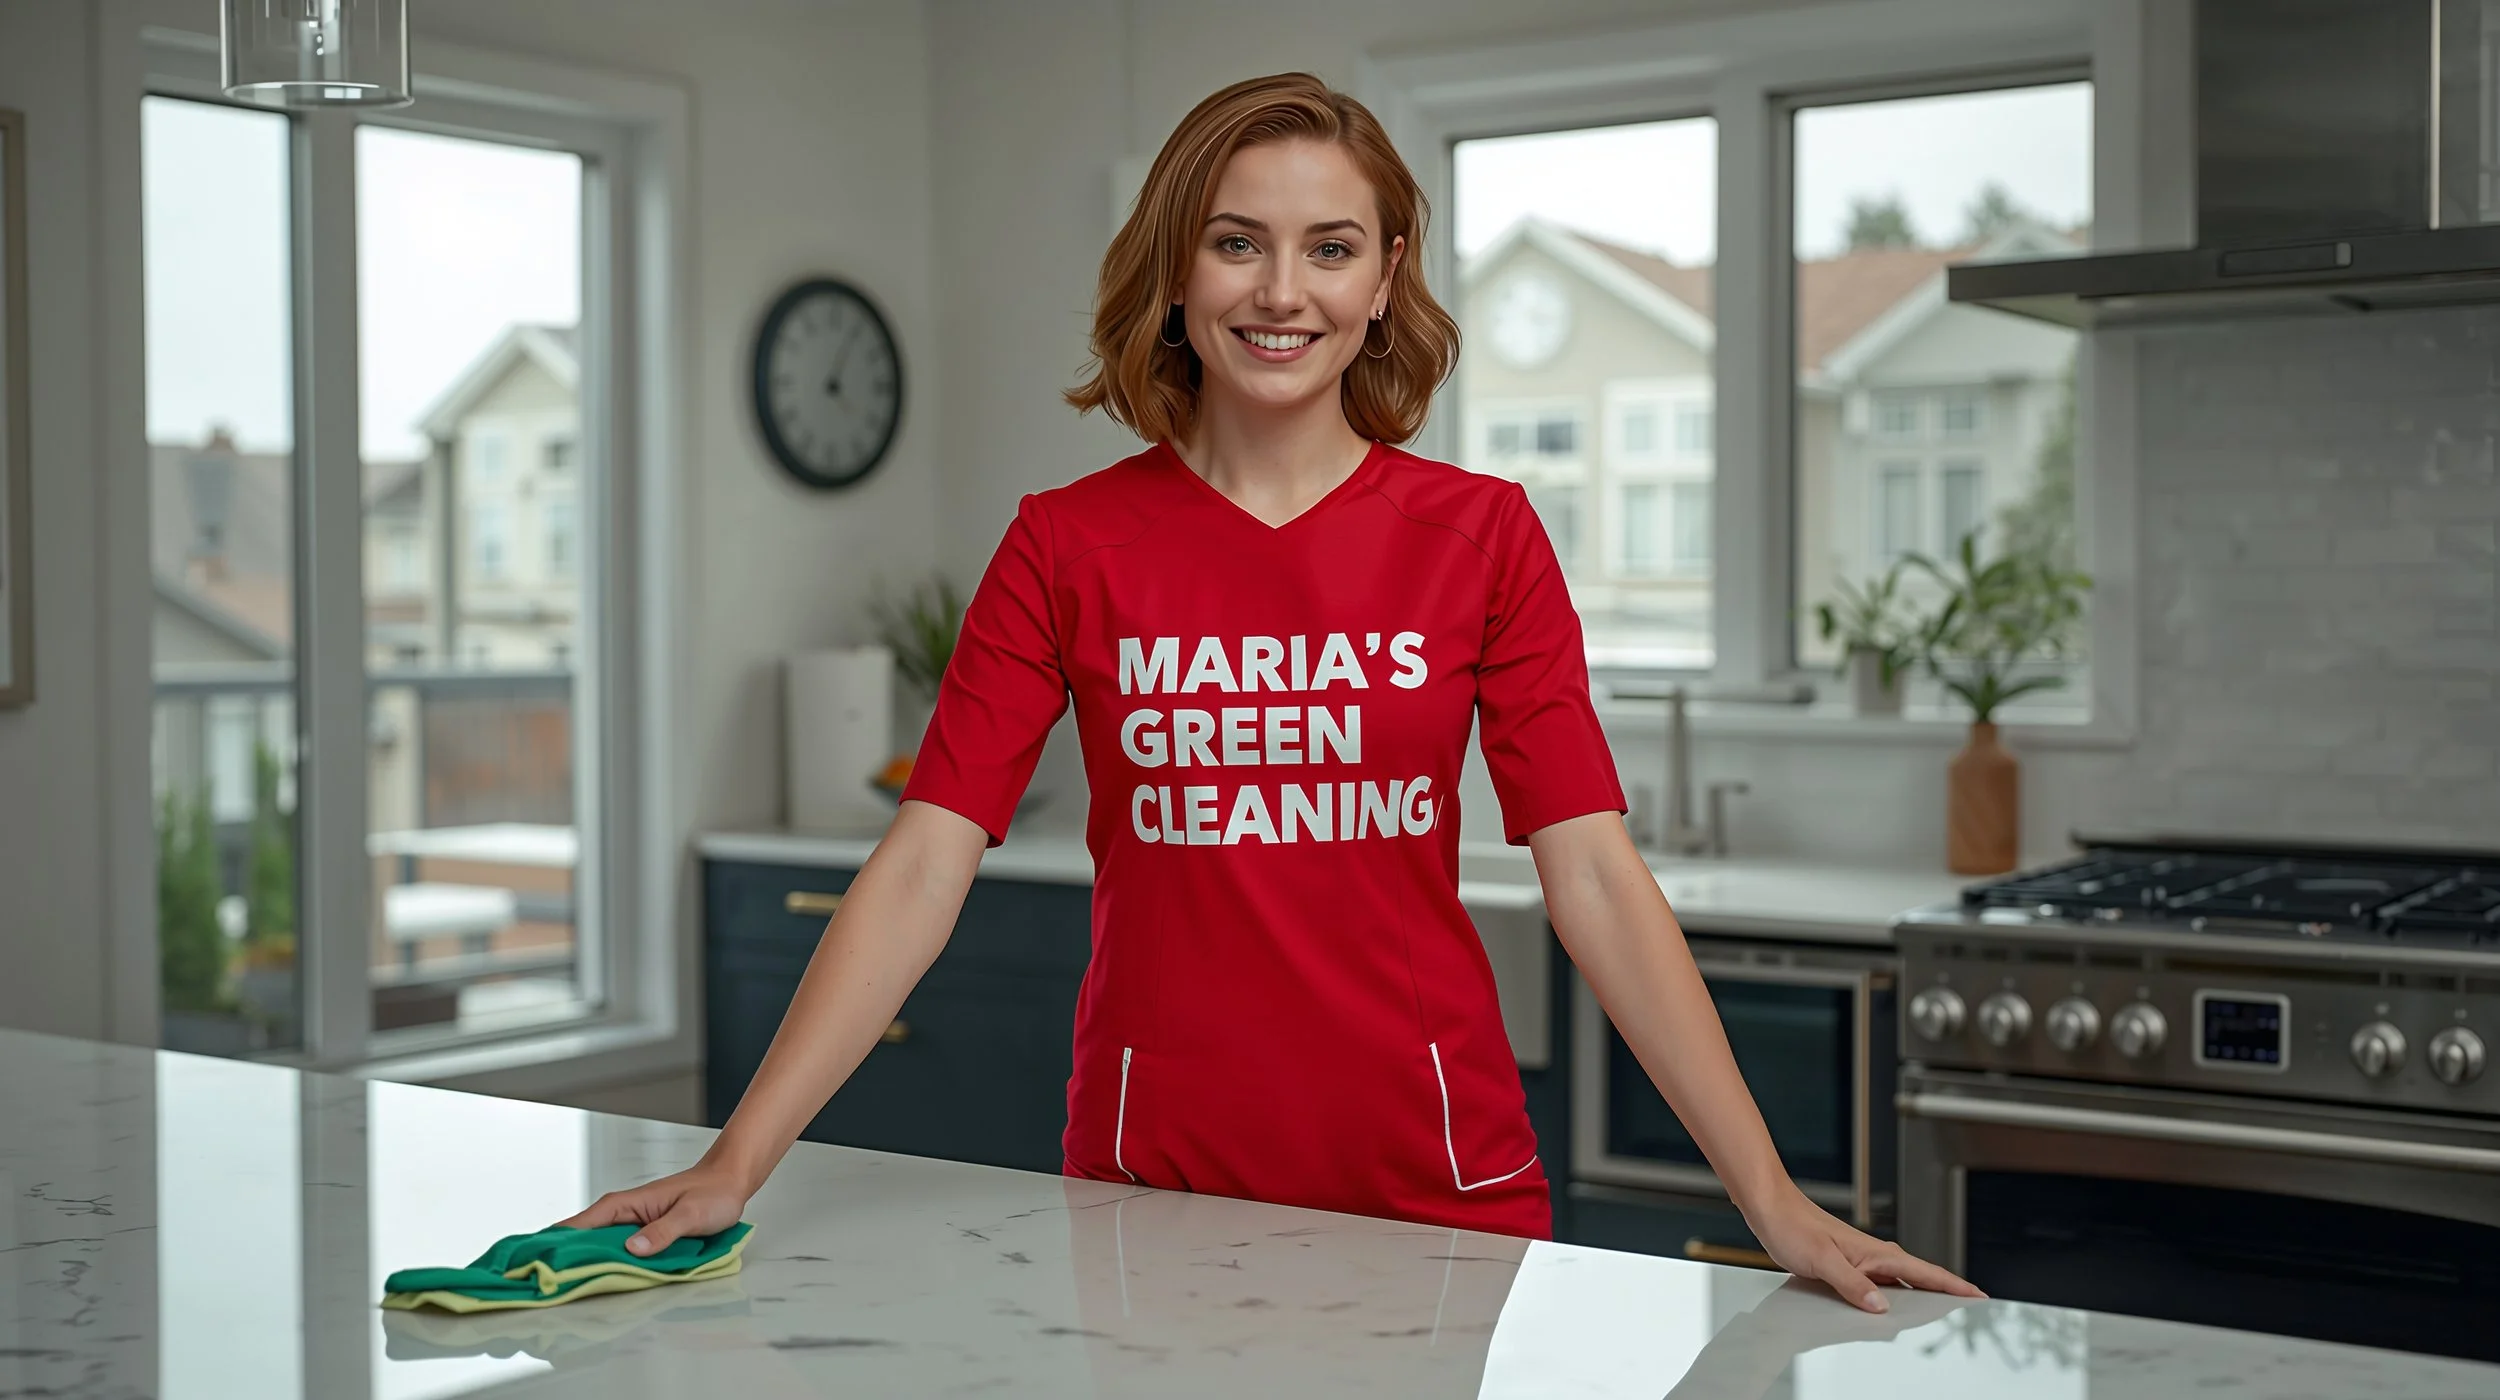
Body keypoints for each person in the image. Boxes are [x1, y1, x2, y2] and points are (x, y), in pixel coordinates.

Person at [563, 71, 1977, 1315]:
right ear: (1180, 269)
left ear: (1385, 277)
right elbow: (927, 861)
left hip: (1439, 1186)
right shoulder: (1067, 546)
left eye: (1330, 248)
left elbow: (1594, 877)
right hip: (1148, 1188)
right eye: (1237, 243)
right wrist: (736, 1163)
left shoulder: (1481, 537)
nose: (1281, 291)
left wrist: (1773, 1205)